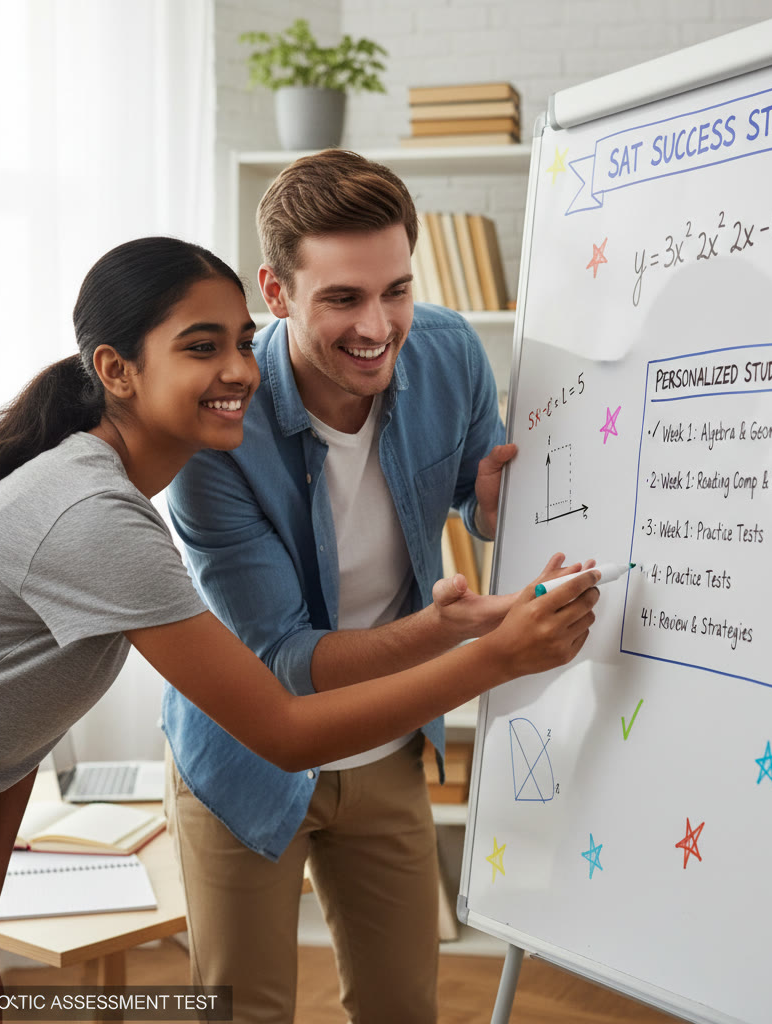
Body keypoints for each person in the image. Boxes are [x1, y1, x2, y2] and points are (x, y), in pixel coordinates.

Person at [0, 235, 600, 1024]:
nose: (241, 369)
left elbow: (18, 738)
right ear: (115, 371)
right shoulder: (96, 520)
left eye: (243, 342)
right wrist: (495, 656)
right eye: (201, 347)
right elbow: (282, 727)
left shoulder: (95, 491)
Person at [163, 151, 579, 1024]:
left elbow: (479, 493)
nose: (379, 325)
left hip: (386, 747)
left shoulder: (448, 352)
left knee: (404, 1009)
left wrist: (501, 507)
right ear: (274, 293)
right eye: (344, 298)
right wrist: (455, 635)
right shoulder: (216, 438)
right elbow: (284, 663)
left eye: (396, 290)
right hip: (244, 759)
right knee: (245, 1013)